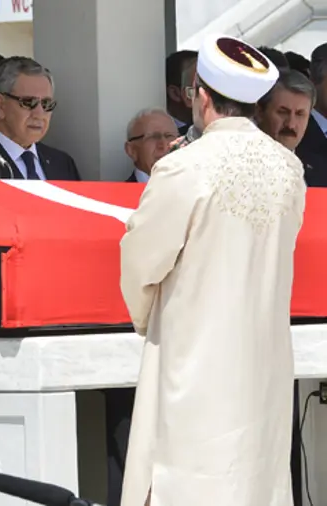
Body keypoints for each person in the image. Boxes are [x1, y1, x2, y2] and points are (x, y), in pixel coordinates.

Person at [119, 35, 305, 506]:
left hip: (194, 355)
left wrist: (147, 319)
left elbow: (141, 260)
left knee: (188, 476)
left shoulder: (183, 167)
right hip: (263, 355)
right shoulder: (288, 168)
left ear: (200, 96)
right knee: (255, 478)